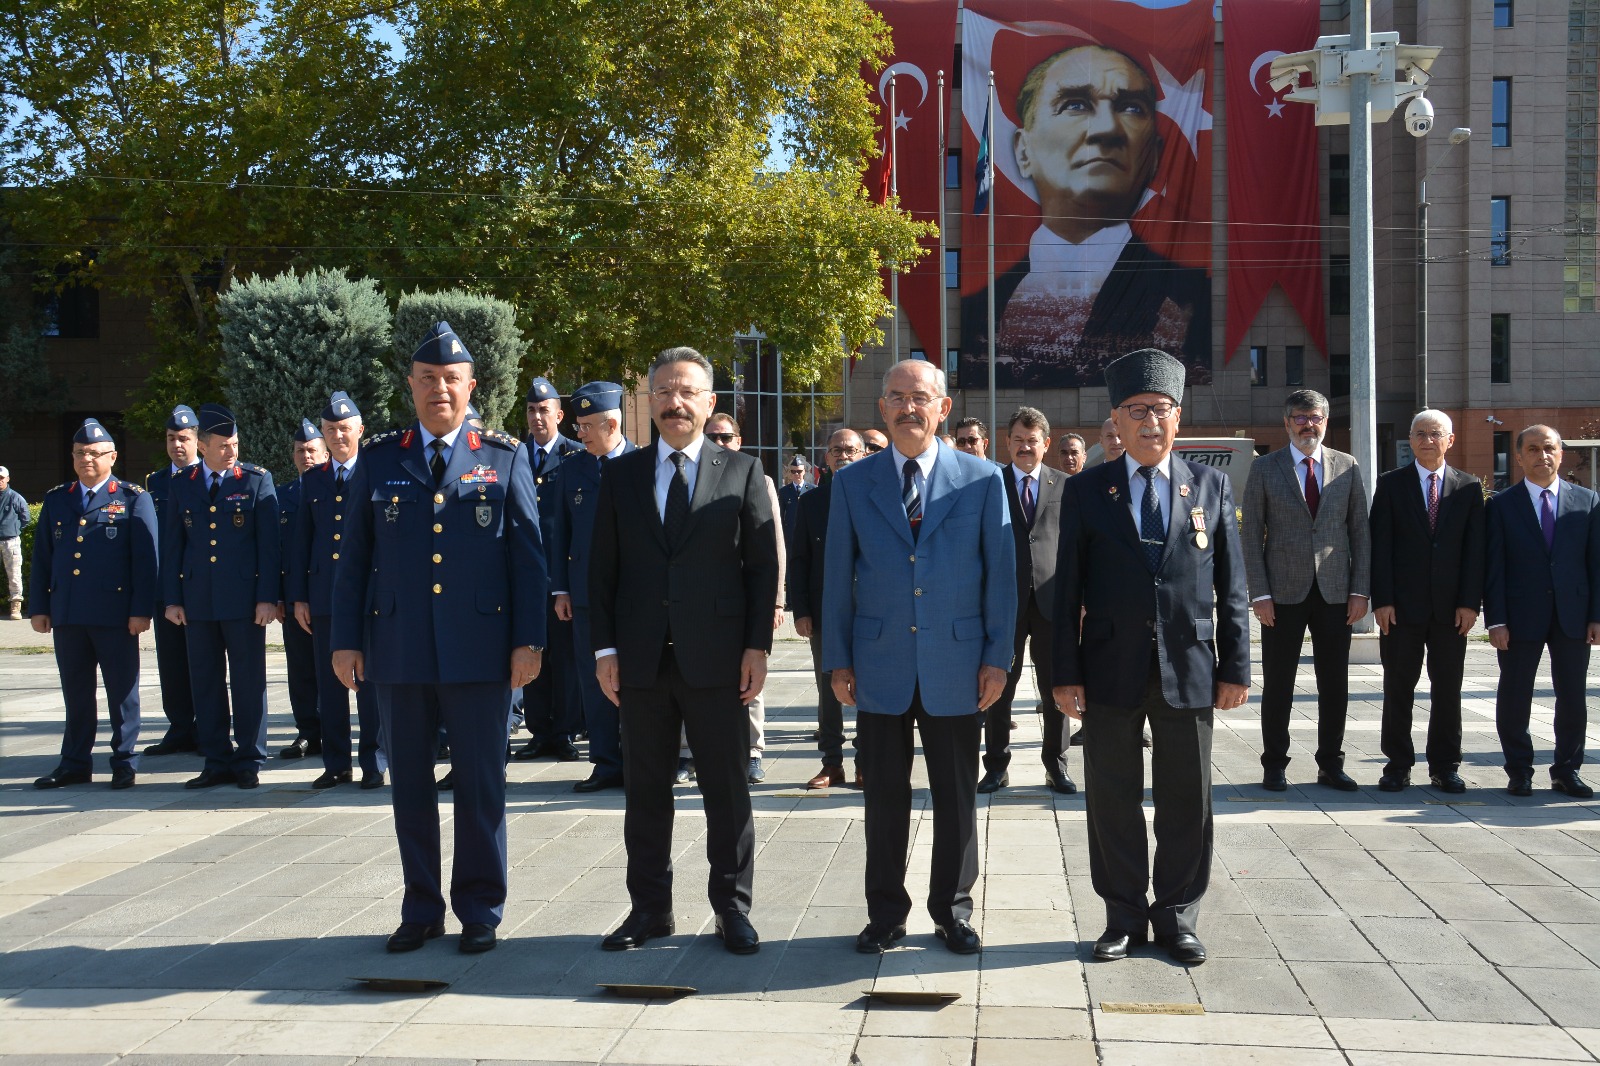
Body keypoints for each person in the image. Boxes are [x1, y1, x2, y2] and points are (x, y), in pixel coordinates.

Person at [331, 321, 546, 956]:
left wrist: (528, 641)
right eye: (428, 380)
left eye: (451, 380)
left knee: (482, 784)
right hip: (398, 649)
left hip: (481, 650)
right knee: (410, 789)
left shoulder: (502, 456)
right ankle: (420, 906)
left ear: (470, 386)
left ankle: (480, 908)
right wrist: (346, 641)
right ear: (412, 387)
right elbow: (352, 563)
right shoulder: (379, 457)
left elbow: (530, 560)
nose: (440, 391)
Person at [1052, 348, 1249, 967]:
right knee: (1111, 796)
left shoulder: (1209, 486)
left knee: (1187, 796)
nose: (1150, 423)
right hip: (1108, 666)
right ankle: (1122, 916)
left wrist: (1235, 666)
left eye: (1160, 410)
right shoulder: (1088, 490)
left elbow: (1232, 585)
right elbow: (1065, 591)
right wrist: (1063, 674)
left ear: (1178, 418)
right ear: (1116, 419)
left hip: (1189, 665)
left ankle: (1177, 915)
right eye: (1136, 411)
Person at [589, 347, 779, 956]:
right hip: (641, 661)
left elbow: (760, 569)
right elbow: (602, 571)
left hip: (719, 660)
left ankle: (733, 909)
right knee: (645, 794)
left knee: (727, 791)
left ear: (710, 402)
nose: (675, 403)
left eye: (688, 392)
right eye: (664, 392)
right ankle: (650, 909)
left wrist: (757, 648)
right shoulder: (620, 475)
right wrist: (606, 650)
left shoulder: (744, 471)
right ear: (648, 402)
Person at [823, 359, 1016, 956]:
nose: (910, 408)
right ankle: (885, 913)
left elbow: (1002, 577)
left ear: (944, 407)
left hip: (957, 664)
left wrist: (997, 658)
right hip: (878, 663)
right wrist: (838, 658)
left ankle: (952, 910)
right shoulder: (854, 482)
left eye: (921, 398)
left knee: (957, 796)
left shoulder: (984, 479)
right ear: (881, 408)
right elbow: (836, 577)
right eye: (898, 398)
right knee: (883, 797)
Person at [959, 45, 1210, 389]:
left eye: (1131, 107)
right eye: (1075, 105)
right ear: (1023, 149)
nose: (1106, 129)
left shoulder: (1192, 301)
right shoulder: (981, 305)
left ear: (1154, 155)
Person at [1242, 389, 1370, 792]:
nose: (1307, 425)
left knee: (1335, 684)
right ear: (1286, 423)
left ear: (1326, 421)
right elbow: (1250, 534)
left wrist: (1360, 591)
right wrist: (1259, 594)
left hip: (1335, 592)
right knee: (1278, 683)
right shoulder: (1265, 469)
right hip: (1282, 594)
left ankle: (1331, 763)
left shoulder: (1347, 467)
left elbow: (1360, 533)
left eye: (1315, 417)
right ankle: (1274, 764)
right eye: (1300, 417)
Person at [29, 419, 158, 790]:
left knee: (122, 693)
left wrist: (140, 610)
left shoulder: (132, 498)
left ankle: (124, 761)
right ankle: (74, 762)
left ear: (112, 456)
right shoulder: (58, 498)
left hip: (115, 615)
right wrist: (40, 607)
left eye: (95, 453)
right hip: (69, 613)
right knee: (76, 692)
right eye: (80, 453)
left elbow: (146, 562)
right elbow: (43, 559)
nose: (87, 459)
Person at [161, 403, 280, 790]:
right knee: (205, 681)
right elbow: (173, 546)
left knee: (248, 680)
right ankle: (215, 759)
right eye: (224, 445)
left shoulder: (256, 481)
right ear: (204, 445)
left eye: (235, 444)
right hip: (198, 600)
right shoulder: (182, 483)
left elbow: (269, 547)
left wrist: (267, 597)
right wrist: (172, 598)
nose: (232, 451)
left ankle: (248, 759)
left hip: (244, 601)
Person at [1369, 410, 1485, 794]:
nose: (1427, 440)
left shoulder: (1468, 488)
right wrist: (1382, 600)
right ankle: (1397, 765)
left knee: (1448, 689)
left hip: (1452, 610)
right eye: (1420, 433)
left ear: (1450, 440)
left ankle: (1445, 766)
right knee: (1398, 686)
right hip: (1401, 608)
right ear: (1410, 440)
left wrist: (1471, 603)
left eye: (1436, 433)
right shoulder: (1391, 485)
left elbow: (1475, 552)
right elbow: (1380, 546)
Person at [1484, 425, 1600, 799]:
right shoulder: (1501, 505)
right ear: (1519, 457)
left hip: (1573, 615)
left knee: (1572, 696)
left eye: (1549, 448)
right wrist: (1496, 619)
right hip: (1519, 617)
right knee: (1515, 694)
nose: (1542, 456)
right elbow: (1494, 568)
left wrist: (1596, 616)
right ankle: (1519, 770)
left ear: (1560, 454)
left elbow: (1596, 564)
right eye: (1532, 449)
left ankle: (1567, 770)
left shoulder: (1587, 501)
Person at [287, 393, 384, 790]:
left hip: (370, 597)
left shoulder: (378, 472)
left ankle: (374, 761)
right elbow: (300, 544)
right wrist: (299, 597)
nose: (339, 435)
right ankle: (336, 762)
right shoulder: (313, 480)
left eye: (345, 428)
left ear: (360, 430)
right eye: (331, 430)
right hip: (325, 596)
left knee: (370, 684)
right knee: (331, 684)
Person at [548, 380, 638, 792]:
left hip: (637, 597)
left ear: (612, 423)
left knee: (642, 678)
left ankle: (644, 760)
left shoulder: (645, 463)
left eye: (586, 425)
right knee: (593, 679)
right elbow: (558, 534)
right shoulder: (571, 469)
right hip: (586, 596)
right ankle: (605, 763)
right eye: (578, 424)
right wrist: (561, 589)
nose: (578, 433)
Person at [981, 406, 1073, 795]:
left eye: (1031, 440)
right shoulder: (990, 483)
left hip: (1053, 603)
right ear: (1007, 442)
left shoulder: (1067, 485)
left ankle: (1057, 766)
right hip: (1004, 603)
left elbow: (1076, 547)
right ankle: (996, 767)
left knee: (1057, 688)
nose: (1024, 446)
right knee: (998, 686)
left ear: (1045, 444)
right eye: (1017, 439)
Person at [512, 377, 583, 763]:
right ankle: (539, 731)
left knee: (565, 658)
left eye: (544, 410)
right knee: (530, 650)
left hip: (562, 578)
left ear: (559, 414)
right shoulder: (515, 455)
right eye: (531, 410)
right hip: (526, 577)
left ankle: (565, 731)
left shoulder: (574, 456)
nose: (537, 417)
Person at [789, 427, 864, 789]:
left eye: (851, 449)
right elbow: (799, 559)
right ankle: (832, 762)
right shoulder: (812, 503)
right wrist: (800, 610)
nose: (843, 455)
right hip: (824, 614)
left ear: (864, 454)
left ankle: (866, 759)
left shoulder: (877, 498)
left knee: (869, 685)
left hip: (870, 611)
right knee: (827, 689)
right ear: (826, 458)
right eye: (836, 450)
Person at [143, 405, 202, 755]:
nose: (177, 445)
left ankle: (208, 727)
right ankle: (180, 726)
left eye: (184, 439)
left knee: (205, 662)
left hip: (201, 585)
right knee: (171, 661)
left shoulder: (209, 476)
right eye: (171, 439)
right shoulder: (156, 482)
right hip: (167, 586)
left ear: (198, 440)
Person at [276, 419, 326, 763]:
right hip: (297, 598)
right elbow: (277, 551)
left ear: (324, 453)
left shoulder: (343, 487)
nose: (306, 456)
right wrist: (283, 596)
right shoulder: (282, 495)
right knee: (302, 669)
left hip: (333, 596)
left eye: (312, 450)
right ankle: (308, 731)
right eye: (300, 451)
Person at [0, 464, 29, 620]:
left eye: (1, 478)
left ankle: (15, 607)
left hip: (10, 541)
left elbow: (26, 518)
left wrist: (13, 529)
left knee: (14, 574)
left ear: (7, 479)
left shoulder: (15, 497)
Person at [777, 454, 812, 544]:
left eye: (799, 471)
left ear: (804, 472)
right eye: (793, 471)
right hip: (789, 534)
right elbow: (780, 514)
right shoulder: (784, 491)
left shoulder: (812, 489)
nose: (796, 474)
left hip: (807, 532)